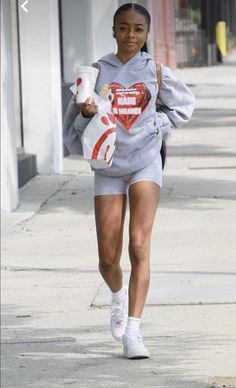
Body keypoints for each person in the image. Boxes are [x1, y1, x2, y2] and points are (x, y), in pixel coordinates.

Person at [63, 3, 195, 359]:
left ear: (147, 33)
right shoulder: (96, 71)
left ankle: (133, 331)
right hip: (108, 165)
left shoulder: (156, 71)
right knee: (108, 259)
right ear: (114, 31)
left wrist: (158, 128)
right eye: (124, 28)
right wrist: (85, 112)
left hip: (145, 163)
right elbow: (72, 136)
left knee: (138, 245)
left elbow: (183, 105)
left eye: (138, 29)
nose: (131, 35)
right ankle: (118, 295)